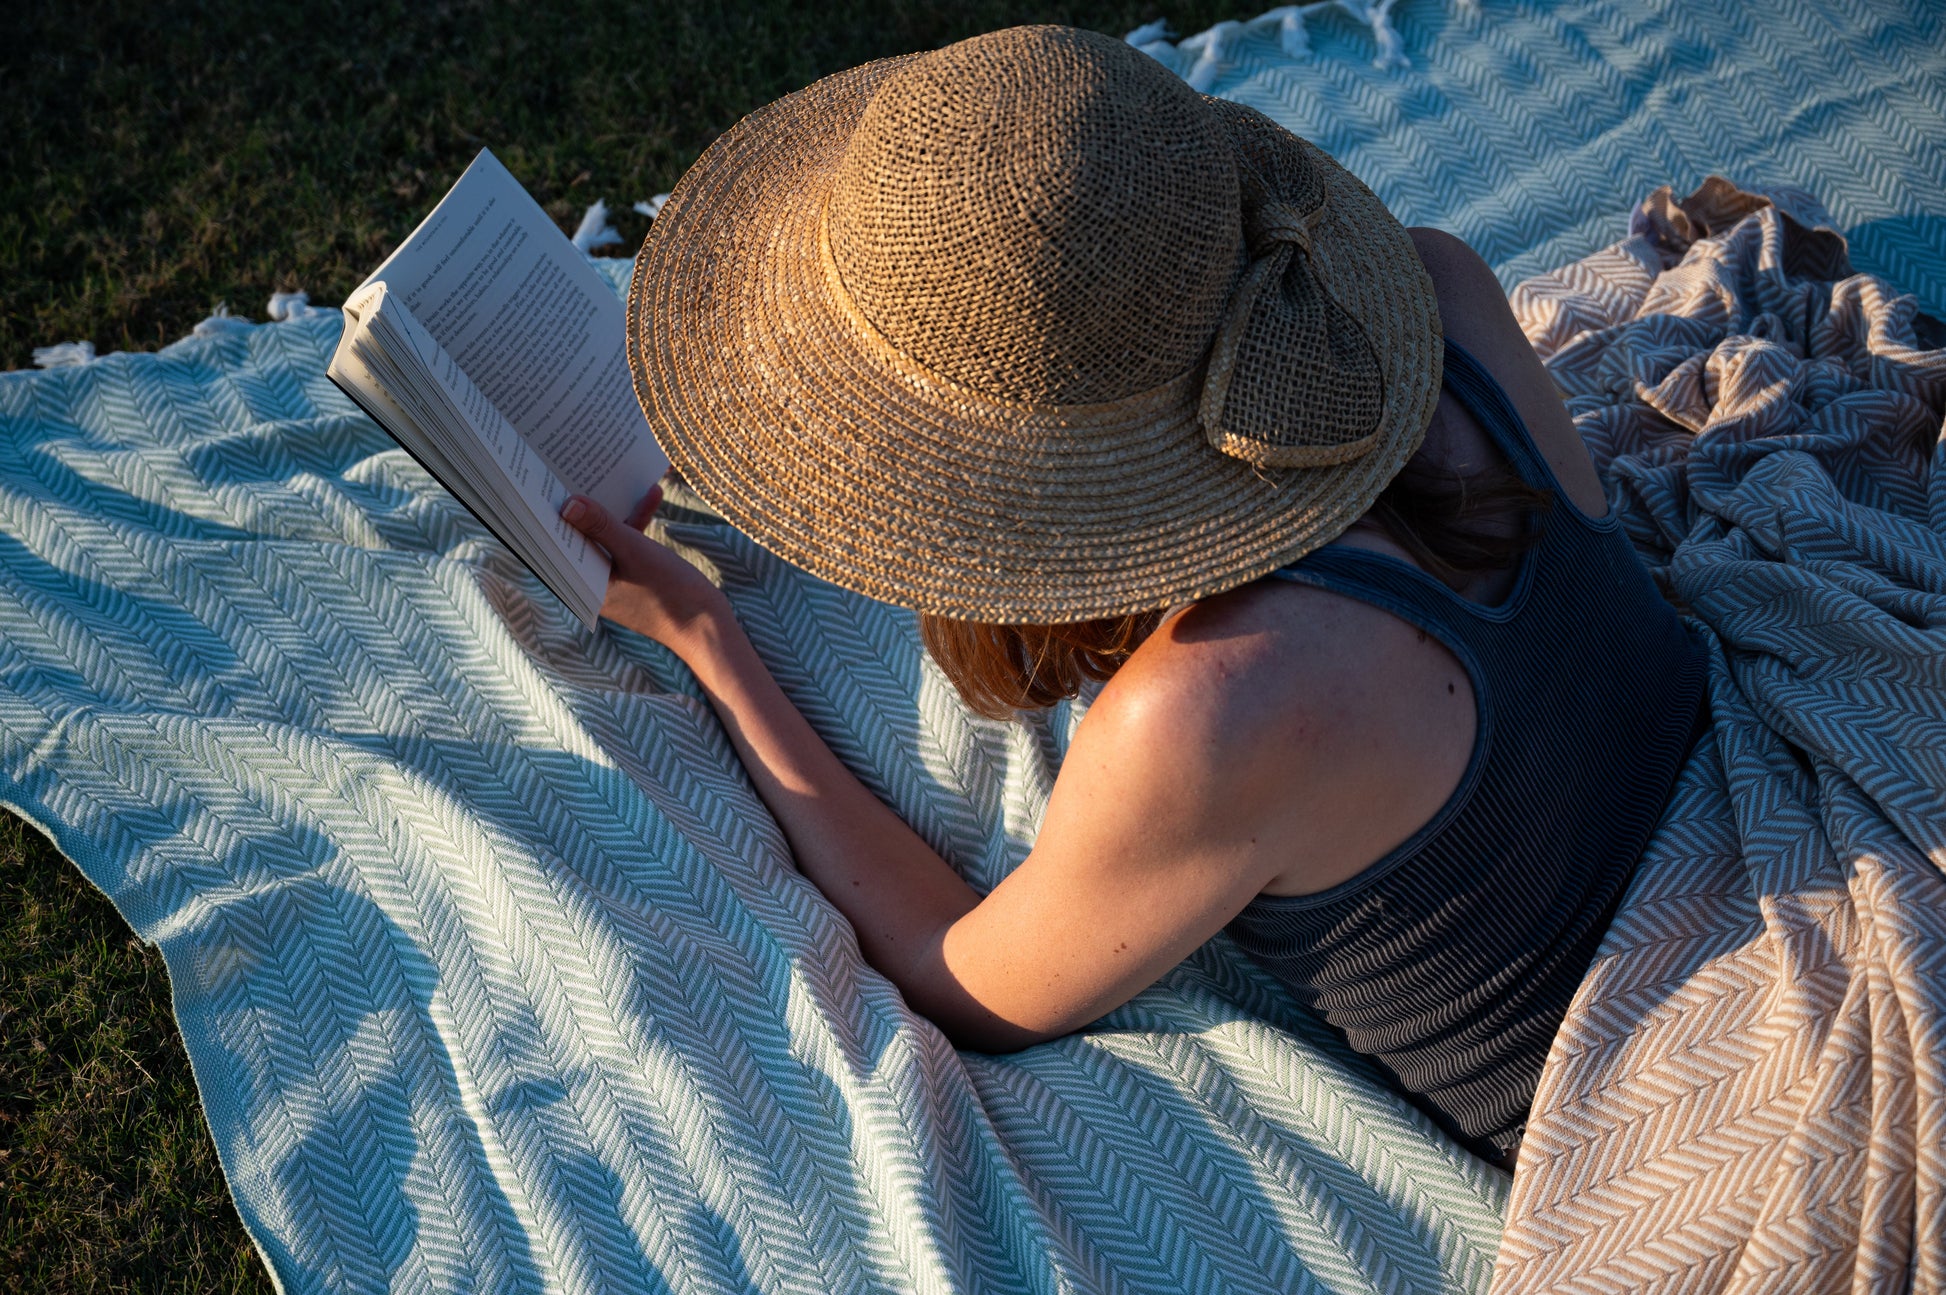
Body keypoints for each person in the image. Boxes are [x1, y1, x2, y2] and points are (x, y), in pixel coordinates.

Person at [559, 24, 1706, 1165]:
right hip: (1701, 793)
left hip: (1648, 1078)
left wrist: (709, 640)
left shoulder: (1211, 708)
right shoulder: (1439, 285)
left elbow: (958, 971)